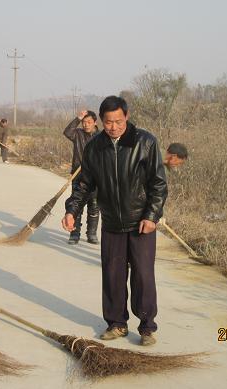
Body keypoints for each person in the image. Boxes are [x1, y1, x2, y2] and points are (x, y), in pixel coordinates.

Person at [63, 96, 167, 346]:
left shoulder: (145, 142)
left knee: (143, 275)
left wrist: (152, 216)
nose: (113, 127)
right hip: (111, 223)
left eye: (118, 121)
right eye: (108, 122)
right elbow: (84, 184)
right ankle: (117, 324)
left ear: (127, 116)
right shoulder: (95, 147)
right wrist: (71, 211)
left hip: (141, 222)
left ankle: (146, 327)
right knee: (113, 274)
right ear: (101, 120)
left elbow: (158, 184)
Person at [63, 110, 100, 245]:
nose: (86, 125)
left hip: (96, 177)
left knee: (94, 206)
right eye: (84, 122)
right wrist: (77, 118)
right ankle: (74, 234)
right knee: (75, 205)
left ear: (95, 123)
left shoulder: (101, 137)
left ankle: (91, 234)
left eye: (89, 122)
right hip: (78, 175)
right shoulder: (77, 134)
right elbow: (67, 132)